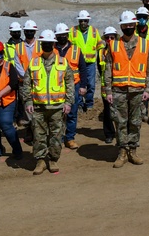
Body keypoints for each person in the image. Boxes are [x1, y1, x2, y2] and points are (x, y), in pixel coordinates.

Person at [20, 29, 75, 175]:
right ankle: (40, 161)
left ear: (54, 45)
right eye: (44, 43)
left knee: (56, 136)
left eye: (49, 43)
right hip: (38, 107)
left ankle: (53, 159)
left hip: (57, 107)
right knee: (39, 136)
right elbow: (26, 84)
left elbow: (70, 83)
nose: (47, 45)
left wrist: (69, 102)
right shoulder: (34, 62)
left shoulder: (63, 62)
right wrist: (28, 102)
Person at [104, 11, 149, 168]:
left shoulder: (145, 44)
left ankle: (133, 150)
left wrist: (148, 90)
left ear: (135, 26)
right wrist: (108, 91)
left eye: (130, 25)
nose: (128, 27)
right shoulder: (113, 45)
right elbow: (108, 69)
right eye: (125, 25)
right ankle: (122, 151)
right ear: (121, 27)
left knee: (135, 122)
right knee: (120, 122)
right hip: (119, 91)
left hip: (138, 91)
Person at [55, 22, 87, 150]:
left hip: (73, 85)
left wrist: (83, 86)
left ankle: (70, 138)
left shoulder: (76, 49)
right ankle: (58, 138)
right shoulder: (51, 49)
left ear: (67, 35)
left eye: (64, 35)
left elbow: (83, 69)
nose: (62, 37)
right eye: (59, 35)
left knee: (72, 113)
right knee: (57, 114)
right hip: (56, 86)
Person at [69, 10, 100, 112]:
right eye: (81, 21)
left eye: (85, 21)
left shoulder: (94, 31)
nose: (83, 23)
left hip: (90, 62)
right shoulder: (72, 31)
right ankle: (80, 103)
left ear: (88, 21)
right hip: (77, 63)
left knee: (90, 84)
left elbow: (100, 44)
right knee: (78, 83)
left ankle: (89, 103)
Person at [98, 26, 119, 144]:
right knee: (107, 112)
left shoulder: (121, 50)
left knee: (121, 111)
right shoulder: (101, 52)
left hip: (119, 84)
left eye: (112, 37)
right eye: (107, 37)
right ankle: (109, 134)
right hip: (105, 86)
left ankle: (122, 132)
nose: (110, 39)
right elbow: (99, 69)